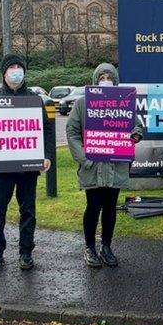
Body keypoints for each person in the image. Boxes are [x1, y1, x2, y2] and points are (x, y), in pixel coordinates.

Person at [0, 53, 54, 272]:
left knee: (28, 210)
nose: (16, 71)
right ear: (4, 72)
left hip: (28, 169)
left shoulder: (34, 99)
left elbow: (47, 130)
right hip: (2, 169)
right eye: (12, 67)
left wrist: (47, 155)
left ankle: (26, 251)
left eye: (20, 67)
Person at [65, 63, 145, 267]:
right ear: (95, 81)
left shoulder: (123, 103)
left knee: (110, 207)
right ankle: (90, 248)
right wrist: (84, 158)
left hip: (116, 166)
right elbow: (72, 132)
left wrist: (135, 134)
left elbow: (137, 125)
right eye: (102, 78)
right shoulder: (82, 104)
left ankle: (106, 246)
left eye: (109, 78)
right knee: (93, 207)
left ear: (115, 81)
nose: (106, 81)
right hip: (92, 166)